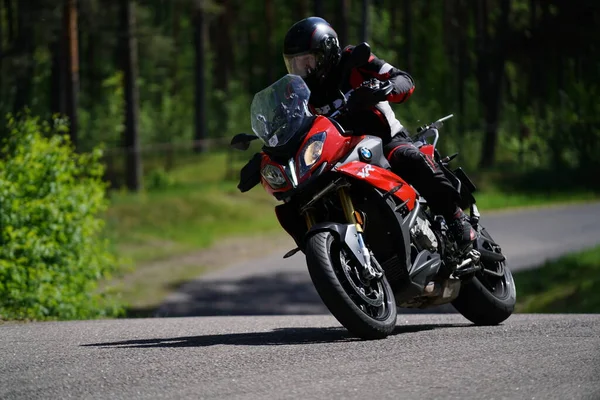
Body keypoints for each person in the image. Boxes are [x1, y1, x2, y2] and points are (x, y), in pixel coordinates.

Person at [282, 16, 476, 250]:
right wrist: (271, 149)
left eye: (307, 61)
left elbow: (405, 79)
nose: (302, 70)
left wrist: (382, 89)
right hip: (340, 155)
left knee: (408, 157)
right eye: (294, 64)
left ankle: (456, 218)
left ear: (326, 51)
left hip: (385, 141)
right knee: (297, 201)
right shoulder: (300, 92)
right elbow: (289, 125)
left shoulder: (352, 60)